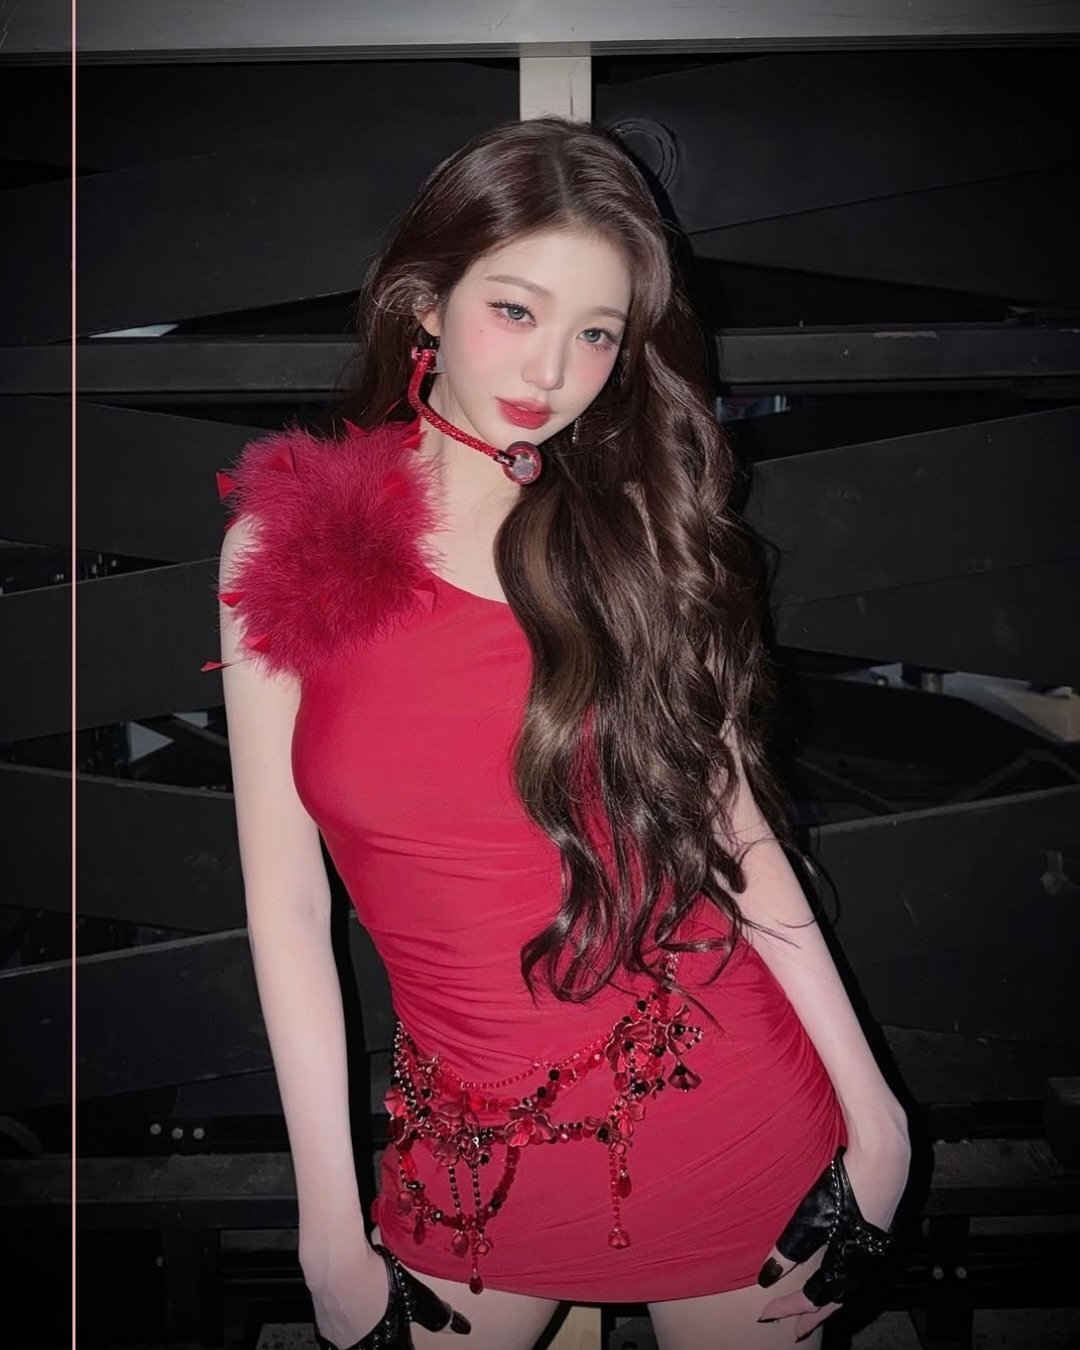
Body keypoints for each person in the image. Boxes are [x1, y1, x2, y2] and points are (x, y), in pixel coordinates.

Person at [211, 115, 911, 1350]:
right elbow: (286, 905)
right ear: (425, 303)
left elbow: (736, 833)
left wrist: (883, 1125)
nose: (553, 371)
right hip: (462, 1160)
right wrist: (328, 1229)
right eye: (516, 310)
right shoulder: (287, 546)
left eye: (597, 333)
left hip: (727, 1111)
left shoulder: (631, 534)